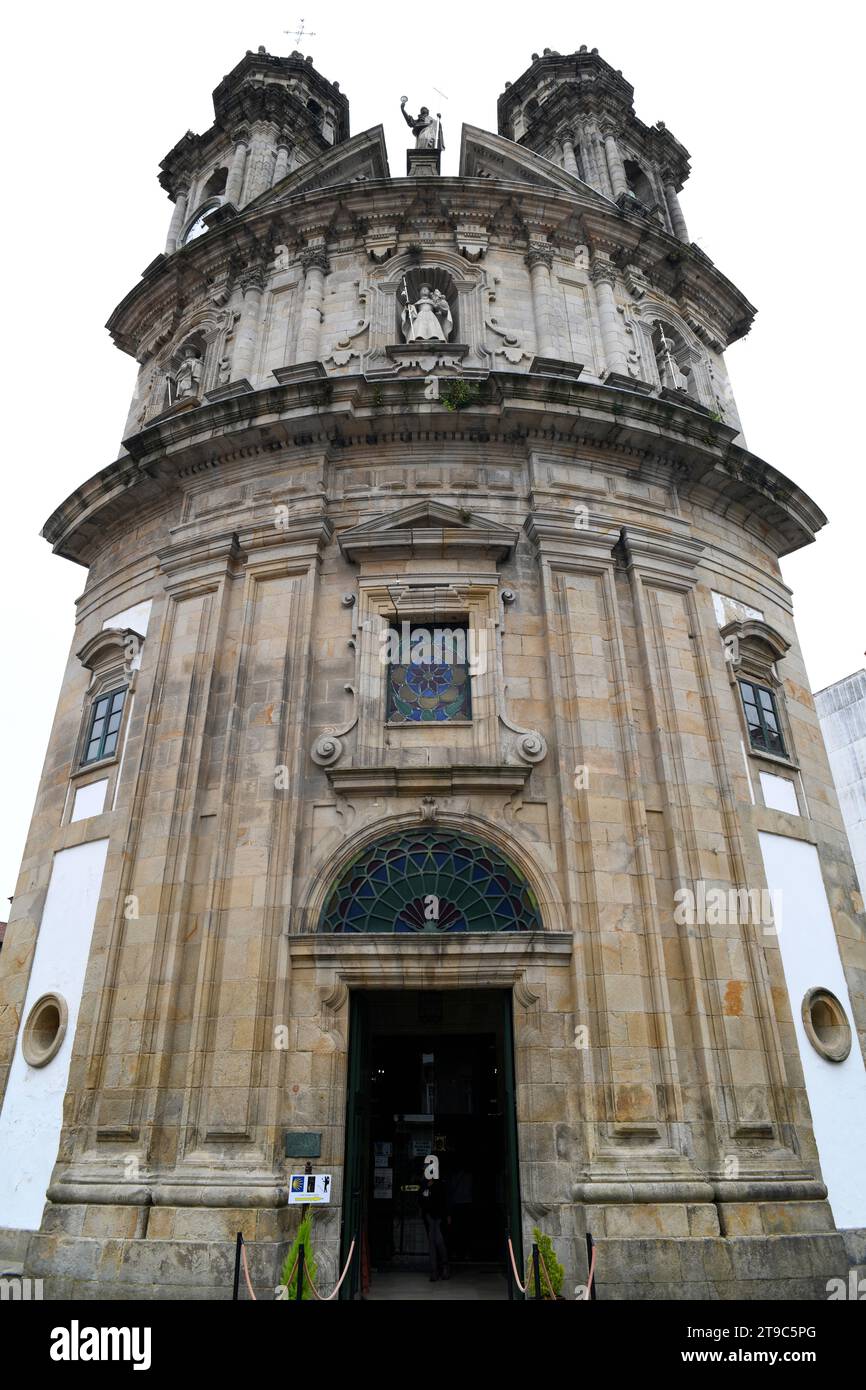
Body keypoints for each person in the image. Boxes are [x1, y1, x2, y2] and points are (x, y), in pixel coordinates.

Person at [419, 1169, 450, 1281]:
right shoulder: (424, 1184)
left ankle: (442, 1268)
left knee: (438, 1241)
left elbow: (444, 1200)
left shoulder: (439, 1184)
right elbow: (422, 1200)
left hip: (438, 1217)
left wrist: (446, 1215)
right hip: (430, 1216)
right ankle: (436, 1270)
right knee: (433, 1243)